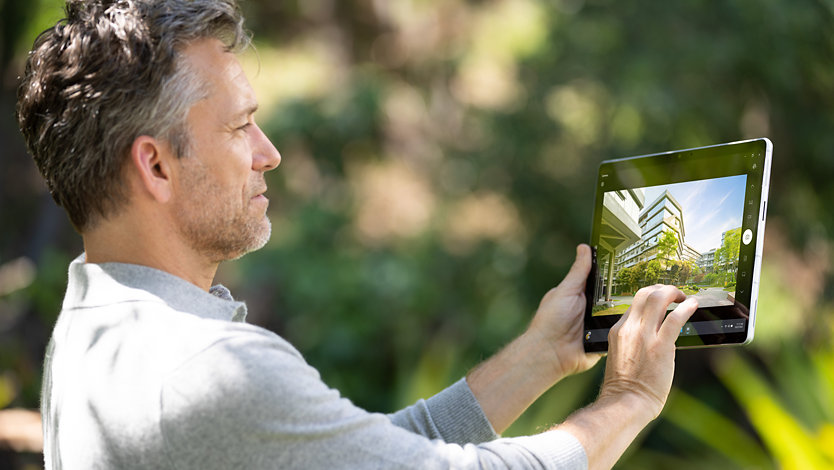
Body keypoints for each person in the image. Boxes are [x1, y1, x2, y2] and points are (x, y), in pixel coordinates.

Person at [16, 1, 698, 469]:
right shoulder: (206, 370)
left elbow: (367, 456)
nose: (268, 151)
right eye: (238, 126)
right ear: (156, 165)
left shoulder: (94, 328)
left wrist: (541, 356)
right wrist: (629, 400)